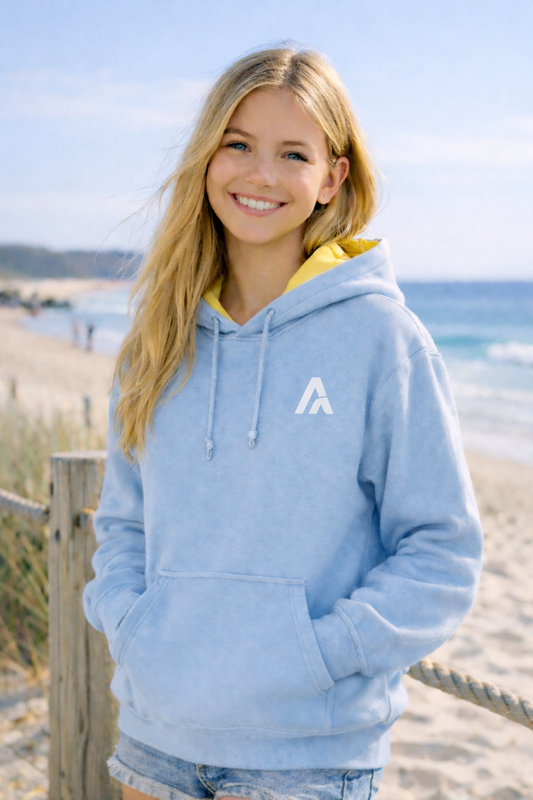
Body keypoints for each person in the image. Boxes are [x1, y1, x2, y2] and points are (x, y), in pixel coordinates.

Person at [83, 45, 483, 800]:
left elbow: (441, 551)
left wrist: (319, 655)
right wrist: (134, 627)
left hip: (306, 759)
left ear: (332, 176)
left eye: (292, 153)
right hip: (154, 741)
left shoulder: (381, 339)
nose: (260, 173)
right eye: (237, 144)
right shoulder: (157, 337)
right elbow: (124, 523)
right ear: (206, 157)